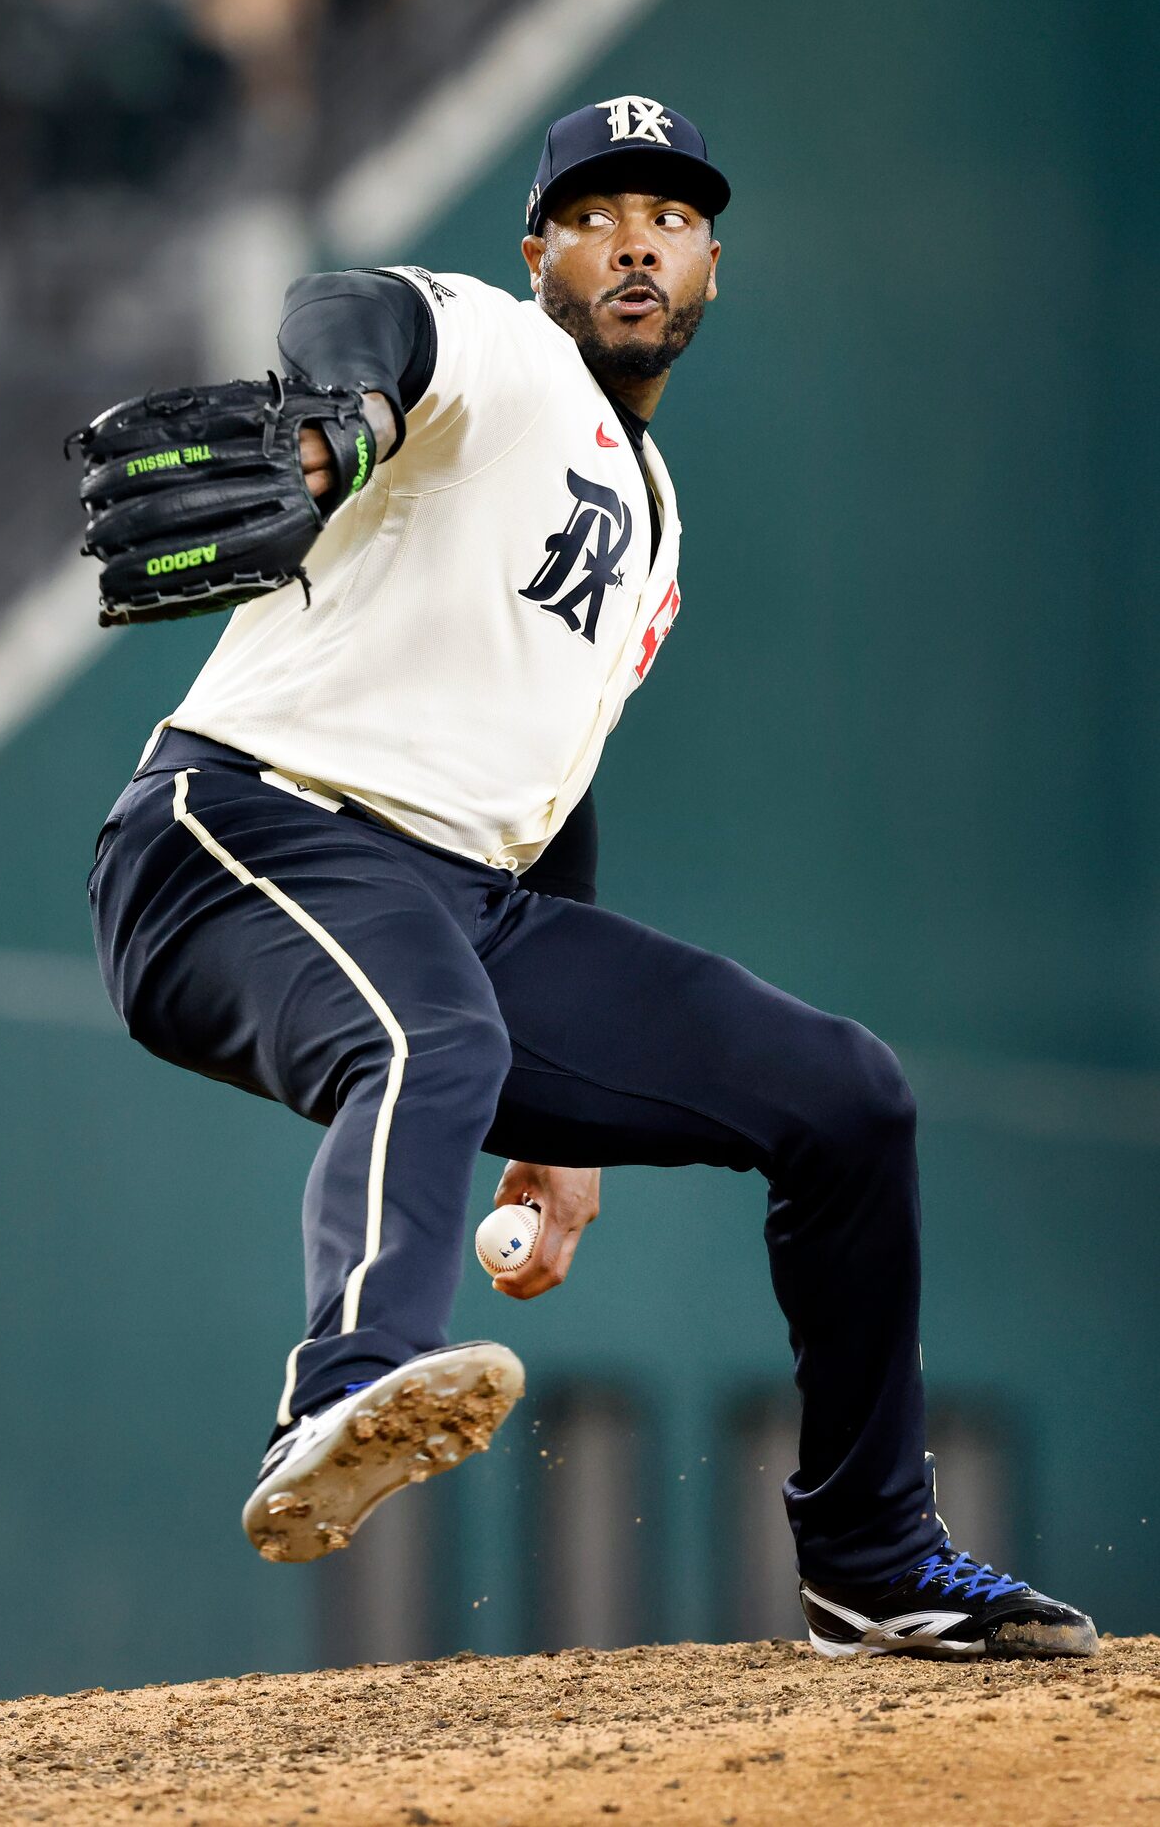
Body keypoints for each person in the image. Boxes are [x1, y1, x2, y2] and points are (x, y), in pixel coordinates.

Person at [88, 96, 1097, 1659]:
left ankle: (870, 1554)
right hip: (240, 832)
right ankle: (349, 1382)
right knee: (433, 1036)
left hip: (465, 896)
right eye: (599, 212)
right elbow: (352, 311)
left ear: (712, 270)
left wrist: (565, 1140)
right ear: (539, 248)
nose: (638, 238)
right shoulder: (493, 350)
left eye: (675, 217)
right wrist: (344, 417)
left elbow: (546, 782)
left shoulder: (655, 517)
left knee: (845, 1097)